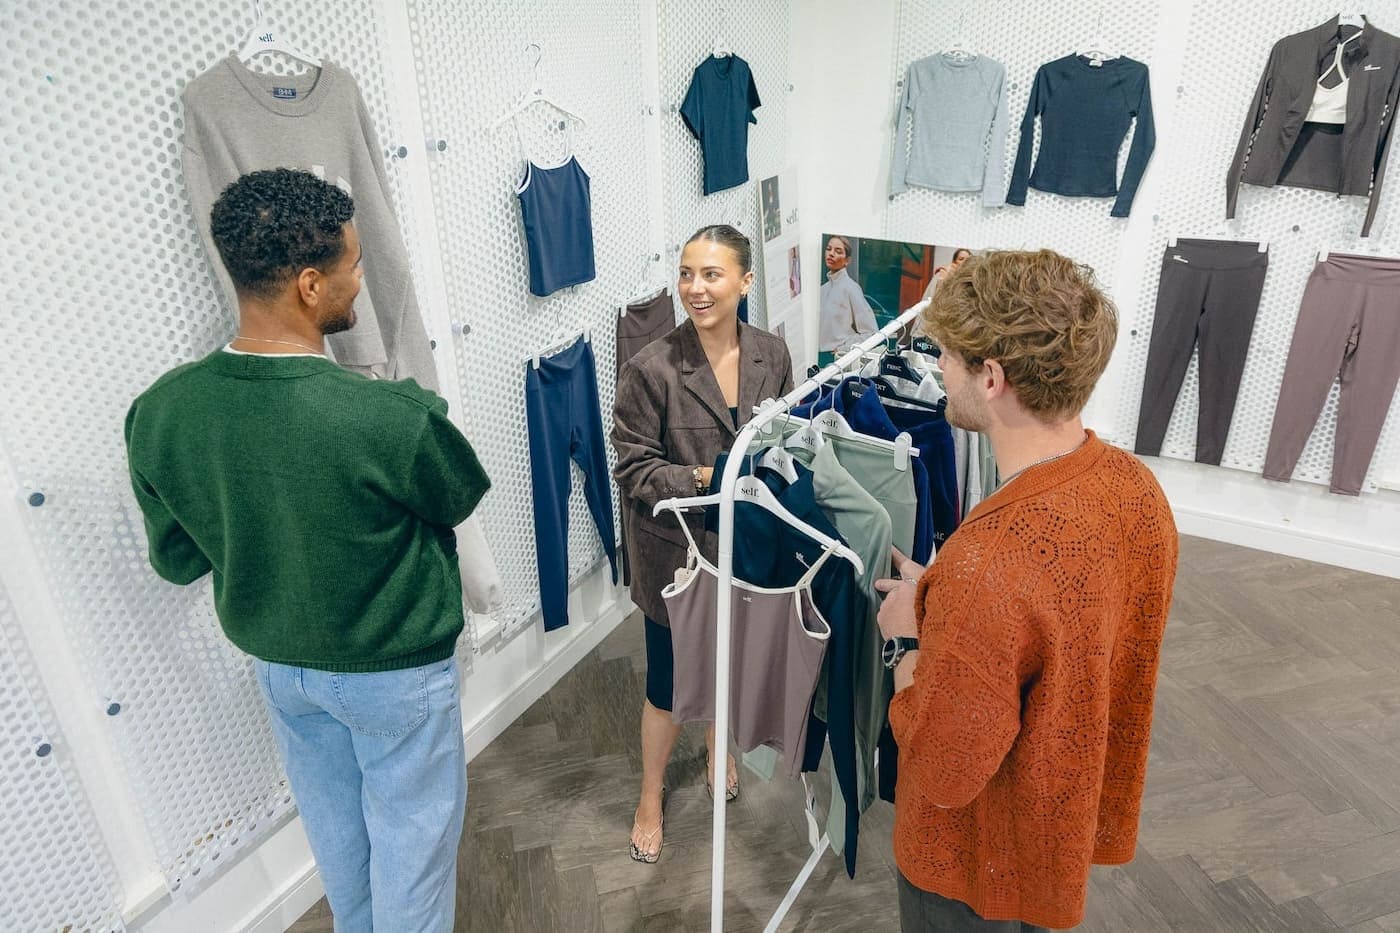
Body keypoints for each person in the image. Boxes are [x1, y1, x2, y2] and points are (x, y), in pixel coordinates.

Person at [124, 169, 489, 932]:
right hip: (392, 669)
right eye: (354, 266)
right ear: (312, 285)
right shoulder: (386, 415)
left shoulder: (158, 413)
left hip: (282, 670)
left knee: (342, 850)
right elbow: (457, 492)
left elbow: (179, 560)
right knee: (413, 858)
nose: (362, 280)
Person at [874, 249, 1179, 931]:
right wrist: (948, 603)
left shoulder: (987, 561)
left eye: (946, 355)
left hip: (968, 864)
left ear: (991, 376)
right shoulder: (1135, 488)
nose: (939, 371)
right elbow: (1072, 642)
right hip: (1053, 832)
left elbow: (945, 769)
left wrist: (908, 638)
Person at [612, 224, 794, 863]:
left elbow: (781, 441)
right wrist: (705, 475)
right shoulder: (651, 368)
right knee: (665, 685)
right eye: (687, 273)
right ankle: (649, 796)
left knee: (731, 661)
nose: (695, 287)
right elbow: (631, 467)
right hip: (676, 556)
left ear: (745, 282)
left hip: (748, 547)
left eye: (712, 275)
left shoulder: (773, 353)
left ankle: (721, 746)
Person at [818, 234, 879, 355]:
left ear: (847, 260)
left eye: (838, 251)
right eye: (828, 249)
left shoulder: (851, 288)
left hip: (835, 359)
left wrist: (843, 349)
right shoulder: (822, 290)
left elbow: (871, 332)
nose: (831, 254)